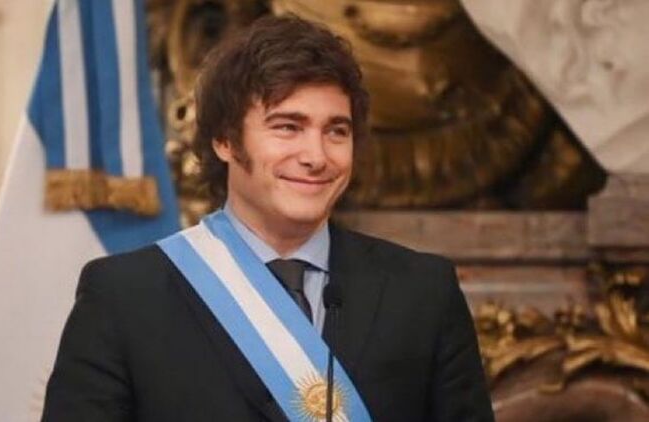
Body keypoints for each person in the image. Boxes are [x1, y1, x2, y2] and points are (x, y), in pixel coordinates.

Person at [42, 15, 493, 422]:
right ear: (224, 139)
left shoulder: (424, 293)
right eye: (287, 127)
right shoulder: (122, 298)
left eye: (336, 131)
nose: (316, 156)